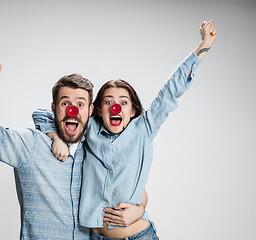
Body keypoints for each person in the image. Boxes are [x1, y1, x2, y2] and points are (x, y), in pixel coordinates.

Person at [32, 19, 216, 240]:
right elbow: (42, 114)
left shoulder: (144, 128)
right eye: (108, 102)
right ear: (97, 110)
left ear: (132, 110)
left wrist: (203, 46)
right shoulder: (89, 129)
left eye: (122, 102)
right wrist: (56, 138)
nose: (115, 107)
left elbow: (171, 90)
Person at [0, 66, 147, 238]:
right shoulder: (31, 144)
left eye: (80, 104)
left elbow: (129, 184)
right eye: (65, 103)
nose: (72, 110)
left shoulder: (96, 148)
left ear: (91, 110)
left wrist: (139, 209)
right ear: (54, 108)